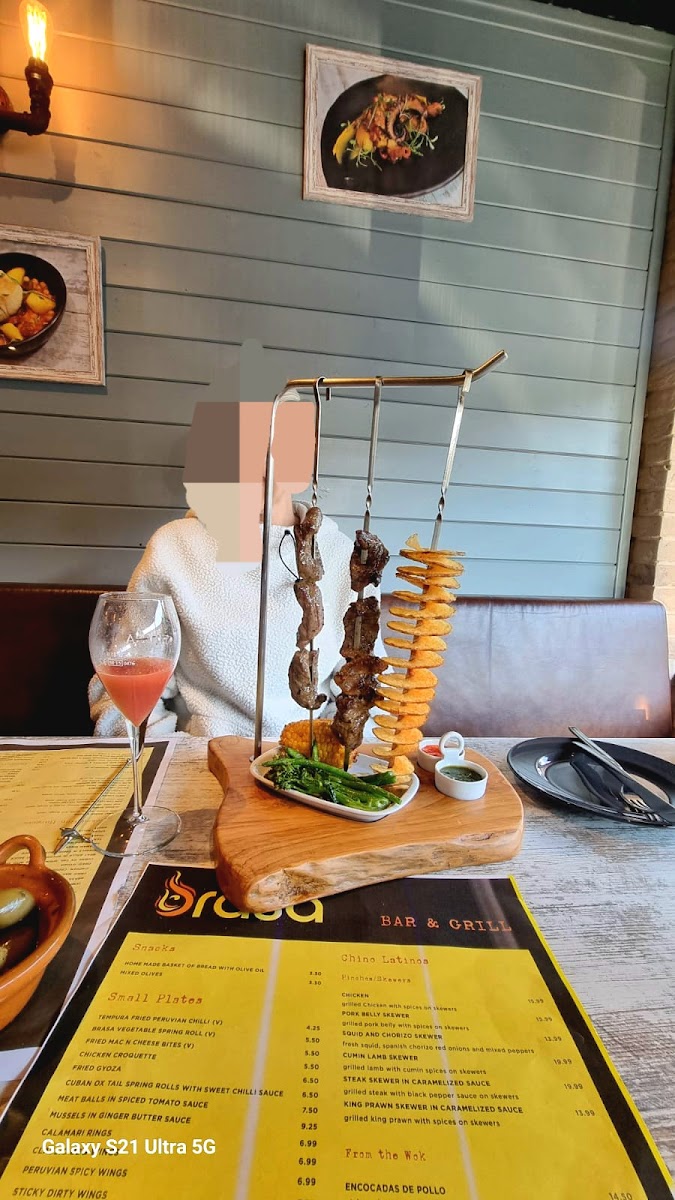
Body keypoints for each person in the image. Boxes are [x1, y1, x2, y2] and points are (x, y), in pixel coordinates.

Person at [89, 396, 373, 739]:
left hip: (311, 758)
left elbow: (365, 687)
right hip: (201, 755)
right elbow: (122, 689)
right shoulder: (173, 547)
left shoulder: (343, 555)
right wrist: (178, 757)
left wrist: (328, 756)